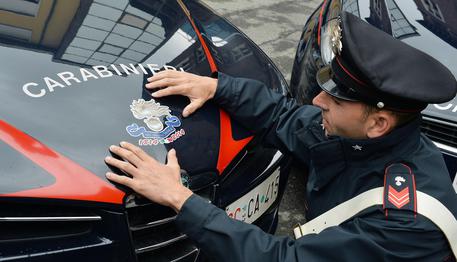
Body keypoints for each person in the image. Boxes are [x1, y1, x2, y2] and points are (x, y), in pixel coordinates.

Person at [104, 12, 457, 261]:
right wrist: (217, 86)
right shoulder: (363, 136)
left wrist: (179, 198)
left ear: (378, 123)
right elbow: (282, 115)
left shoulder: (404, 224)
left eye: (333, 100)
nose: (317, 101)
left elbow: (280, 258)